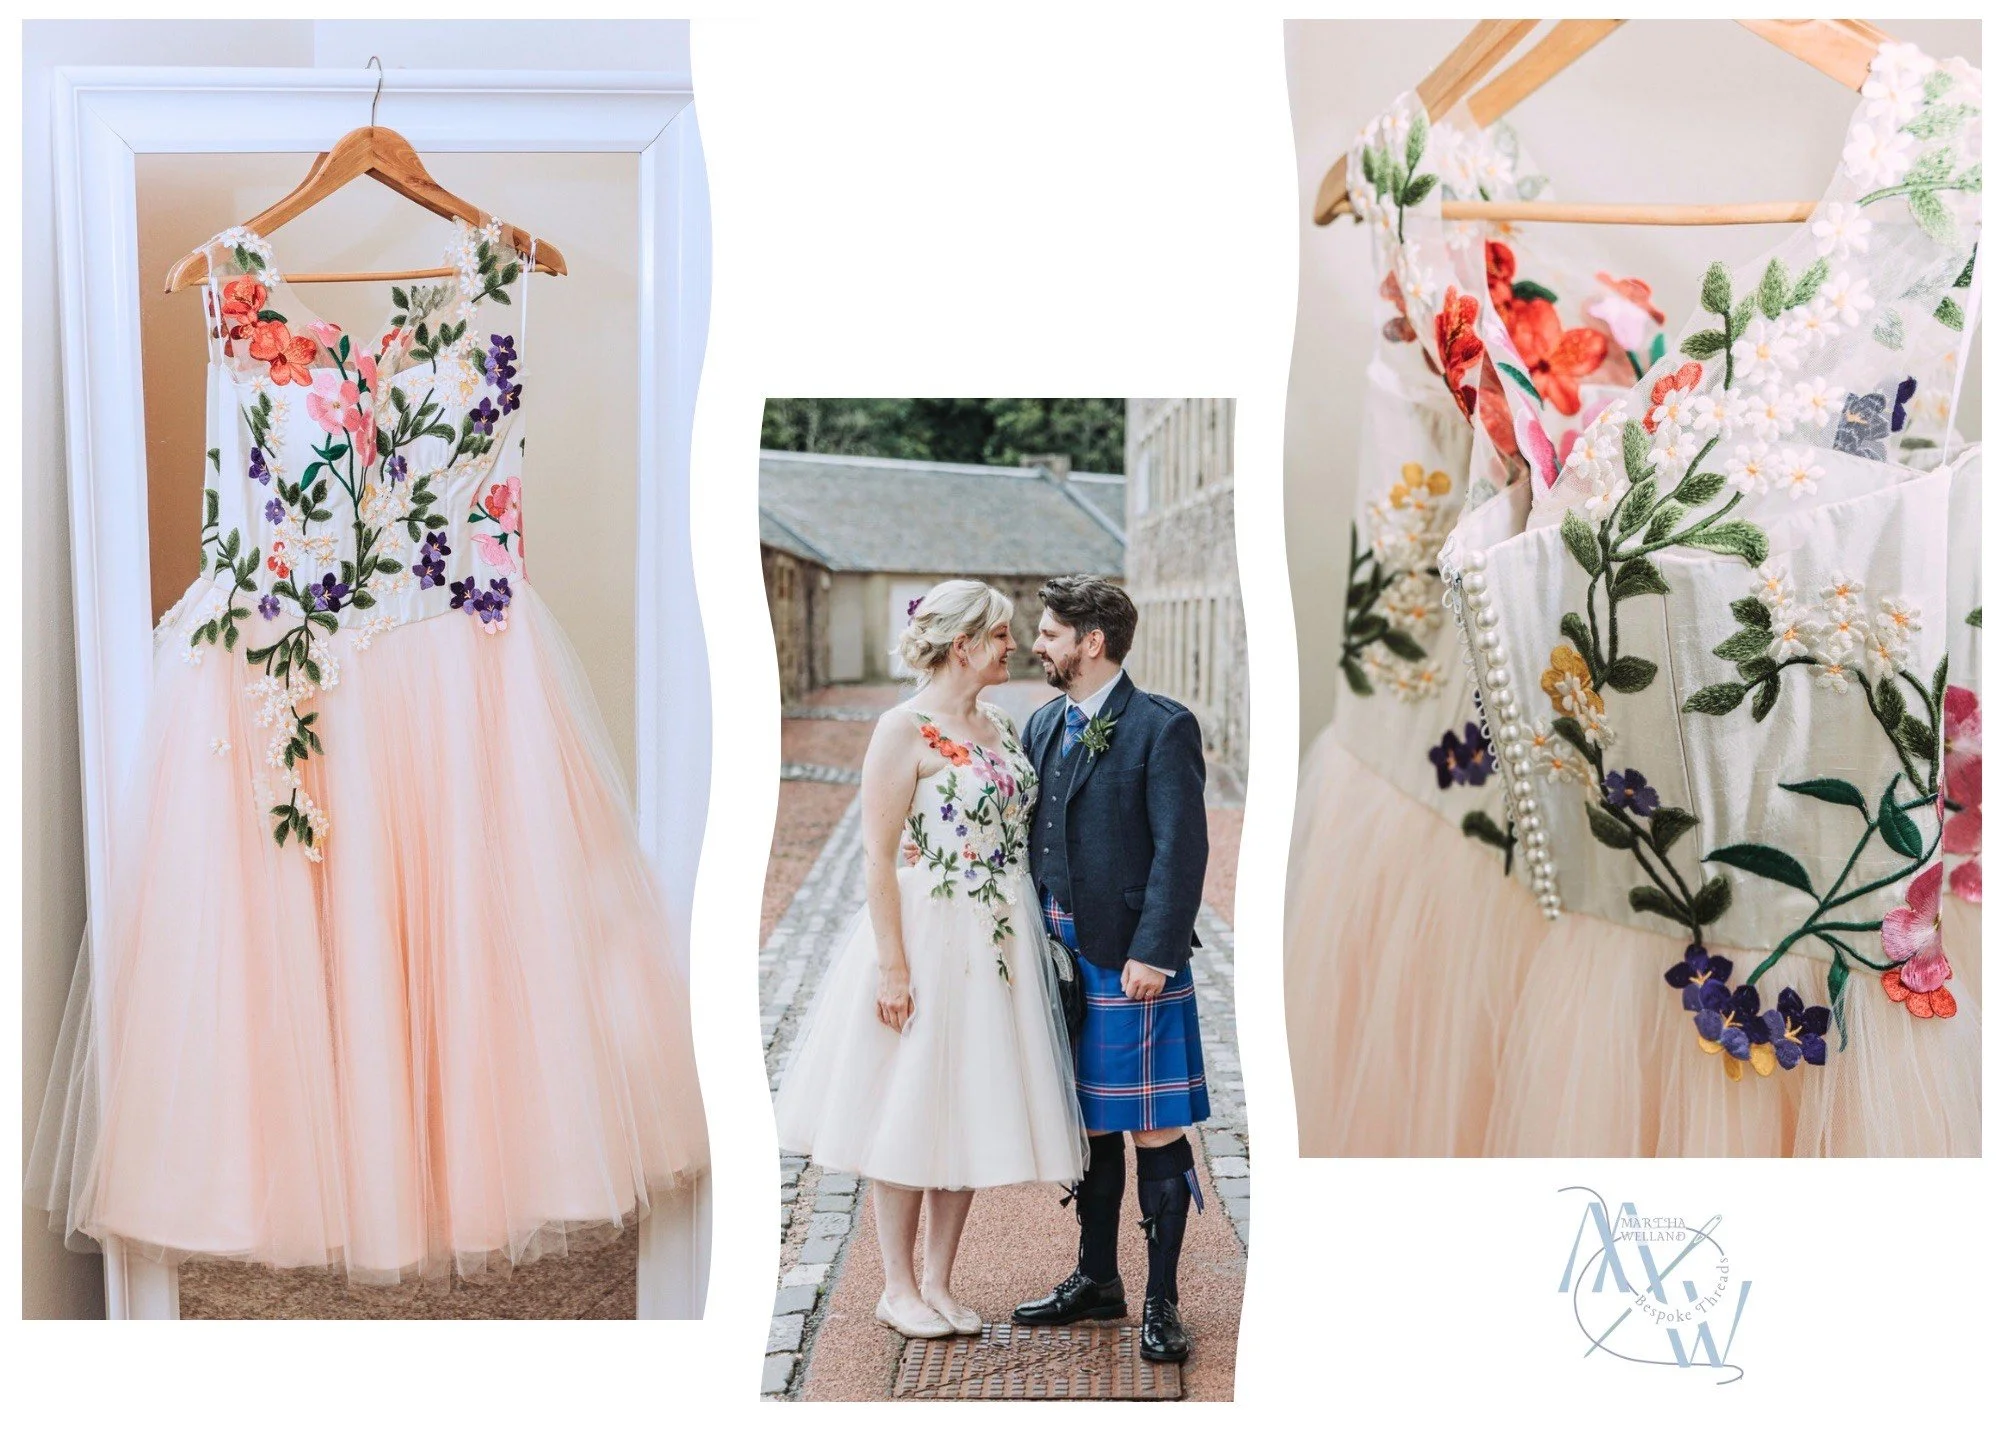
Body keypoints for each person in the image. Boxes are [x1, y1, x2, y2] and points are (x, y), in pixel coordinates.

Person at [772, 580, 1084, 1338]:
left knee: (970, 1101)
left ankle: (941, 1280)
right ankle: (897, 1284)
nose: (1013, 645)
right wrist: (893, 966)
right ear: (962, 644)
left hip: (1001, 942)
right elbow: (877, 857)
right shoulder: (899, 728)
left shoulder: (1004, 728)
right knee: (909, 1102)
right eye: (1003, 634)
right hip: (930, 930)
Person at [1010, 575, 1212, 1365]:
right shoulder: (1040, 723)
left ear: (1091, 643)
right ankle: (1097, 1278)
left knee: (1153, 1126)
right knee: (1088, 1126)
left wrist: (1154, 952)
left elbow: (1182, 850)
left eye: (1051, 632)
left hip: (1132, 959)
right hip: (1059, 954)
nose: (1039, 642)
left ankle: (1161, 1303)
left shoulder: (1161, 728)